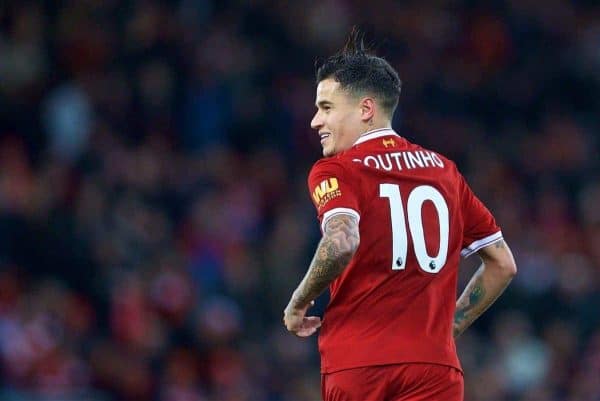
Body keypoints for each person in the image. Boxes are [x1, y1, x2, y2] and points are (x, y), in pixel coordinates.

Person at [283, 30, 517, 401]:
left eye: (326, 107)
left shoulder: (338, 170)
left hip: (358, 365)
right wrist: (446, 330)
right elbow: (502, 263)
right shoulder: (445, 171)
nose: (315, 121)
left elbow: (342, 241)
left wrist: (298, 302)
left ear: (365, 109)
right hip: (434, 368)